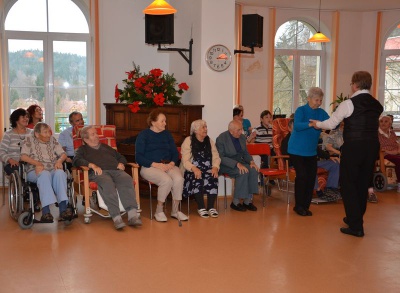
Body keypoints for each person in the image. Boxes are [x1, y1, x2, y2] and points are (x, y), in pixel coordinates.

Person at [310, 71, 383, 237]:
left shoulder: (349, 104)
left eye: (351, 84)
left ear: (355, 85)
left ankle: (356, 226)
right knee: (363, 183)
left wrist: (317, 124)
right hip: (372, 147)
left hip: (354, 147)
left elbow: (332, 123)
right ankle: (354, 218)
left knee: (348, 184)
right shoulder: (377, 105)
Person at [73, 126, 141, 230]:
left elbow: (121, 157)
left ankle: (132, 215)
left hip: (115, 170)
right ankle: (116, 217)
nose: (97, 136)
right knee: (107, 183)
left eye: (96, 133)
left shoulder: (106, 147)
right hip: (100, 172)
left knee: (127, 179)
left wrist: (121, 163)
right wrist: (90, 165)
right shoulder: (82, 150)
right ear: (86, 139)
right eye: (93, 134)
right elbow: (76, 160)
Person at [135, 109, 188, 222]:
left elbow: (175, 153)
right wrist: (156, 165)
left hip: (168, 165)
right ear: (153, 122)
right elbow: (138, 157)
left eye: (165, 121)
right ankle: (159, 211)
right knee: (166, 180)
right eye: (162, 121)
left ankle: (175, 210)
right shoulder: (143, 135)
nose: (165, 123)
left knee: (179, 179)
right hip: (149, 167)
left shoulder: (167, 134)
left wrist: (172, 163)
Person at [288, 87, 329, 216]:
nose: (318, 103)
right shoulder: (301, 110)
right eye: (316, 100)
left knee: (311, 178)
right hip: (296, 150)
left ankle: (306, 206)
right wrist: (312, 124)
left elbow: (330, 123)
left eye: (321, 100)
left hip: (311, 152)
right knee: (302, 176)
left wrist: (337, 121)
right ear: (309, 99)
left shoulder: (321, 112)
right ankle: (298, 206)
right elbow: (298, 126)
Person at [20, 122, 72, 223]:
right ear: (37, 134)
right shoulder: (29, 140)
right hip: (35, 170)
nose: (49, 134)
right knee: (44, 174)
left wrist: (59, 161)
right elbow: (23, 156)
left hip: (52, 168)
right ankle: (46, 212)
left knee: (60, 173)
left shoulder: (52, 140)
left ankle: (63, 210)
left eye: (49, 131)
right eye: (45, 132)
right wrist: (37, 163)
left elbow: (63, 153)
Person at [180, 120, 221, 218]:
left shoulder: (209, 140)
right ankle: (201, 207)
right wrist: (194, 168)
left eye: (206, 127)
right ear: (196, 130)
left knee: (213, 176)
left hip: (207, 168)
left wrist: (215, 167)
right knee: (197, 177)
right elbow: (185, 160)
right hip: (191, 169)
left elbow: (216, 156)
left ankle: (211, 207)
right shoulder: (188, 141)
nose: (206, 129)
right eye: (203, 127)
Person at [216, 120, 259, 212]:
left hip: (240, 162)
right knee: (242, 172)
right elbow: (221, 157)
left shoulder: (242, 138)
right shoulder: (221, 138)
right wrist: (236, 164)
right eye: (238, 130)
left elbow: (245, 153)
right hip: (226, 164)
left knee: (253, 170)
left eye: (241, 129)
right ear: (231, 131)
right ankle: (235, 202)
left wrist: (251, 161)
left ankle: (247, 201)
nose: (241, 132)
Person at [0, 108, 32, 175]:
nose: (26, 119)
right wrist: (10, 160)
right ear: (16, 120)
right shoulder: (8, 134)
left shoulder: (32, 133)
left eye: (27, 117)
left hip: (30, 162)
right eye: (23, 117)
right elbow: (1, 151)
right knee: (19, 171)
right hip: (12, 163)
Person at [378, 115, 400, 193]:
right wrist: (393, 152)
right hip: (384, 154)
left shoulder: (392, 132)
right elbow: (381, 149)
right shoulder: (377, 134)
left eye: (386, 121)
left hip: (395, 153)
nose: (383, 123)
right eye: (381, 121)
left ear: (390, 124)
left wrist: (398, 150)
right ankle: (399, 184)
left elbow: (397, 143)